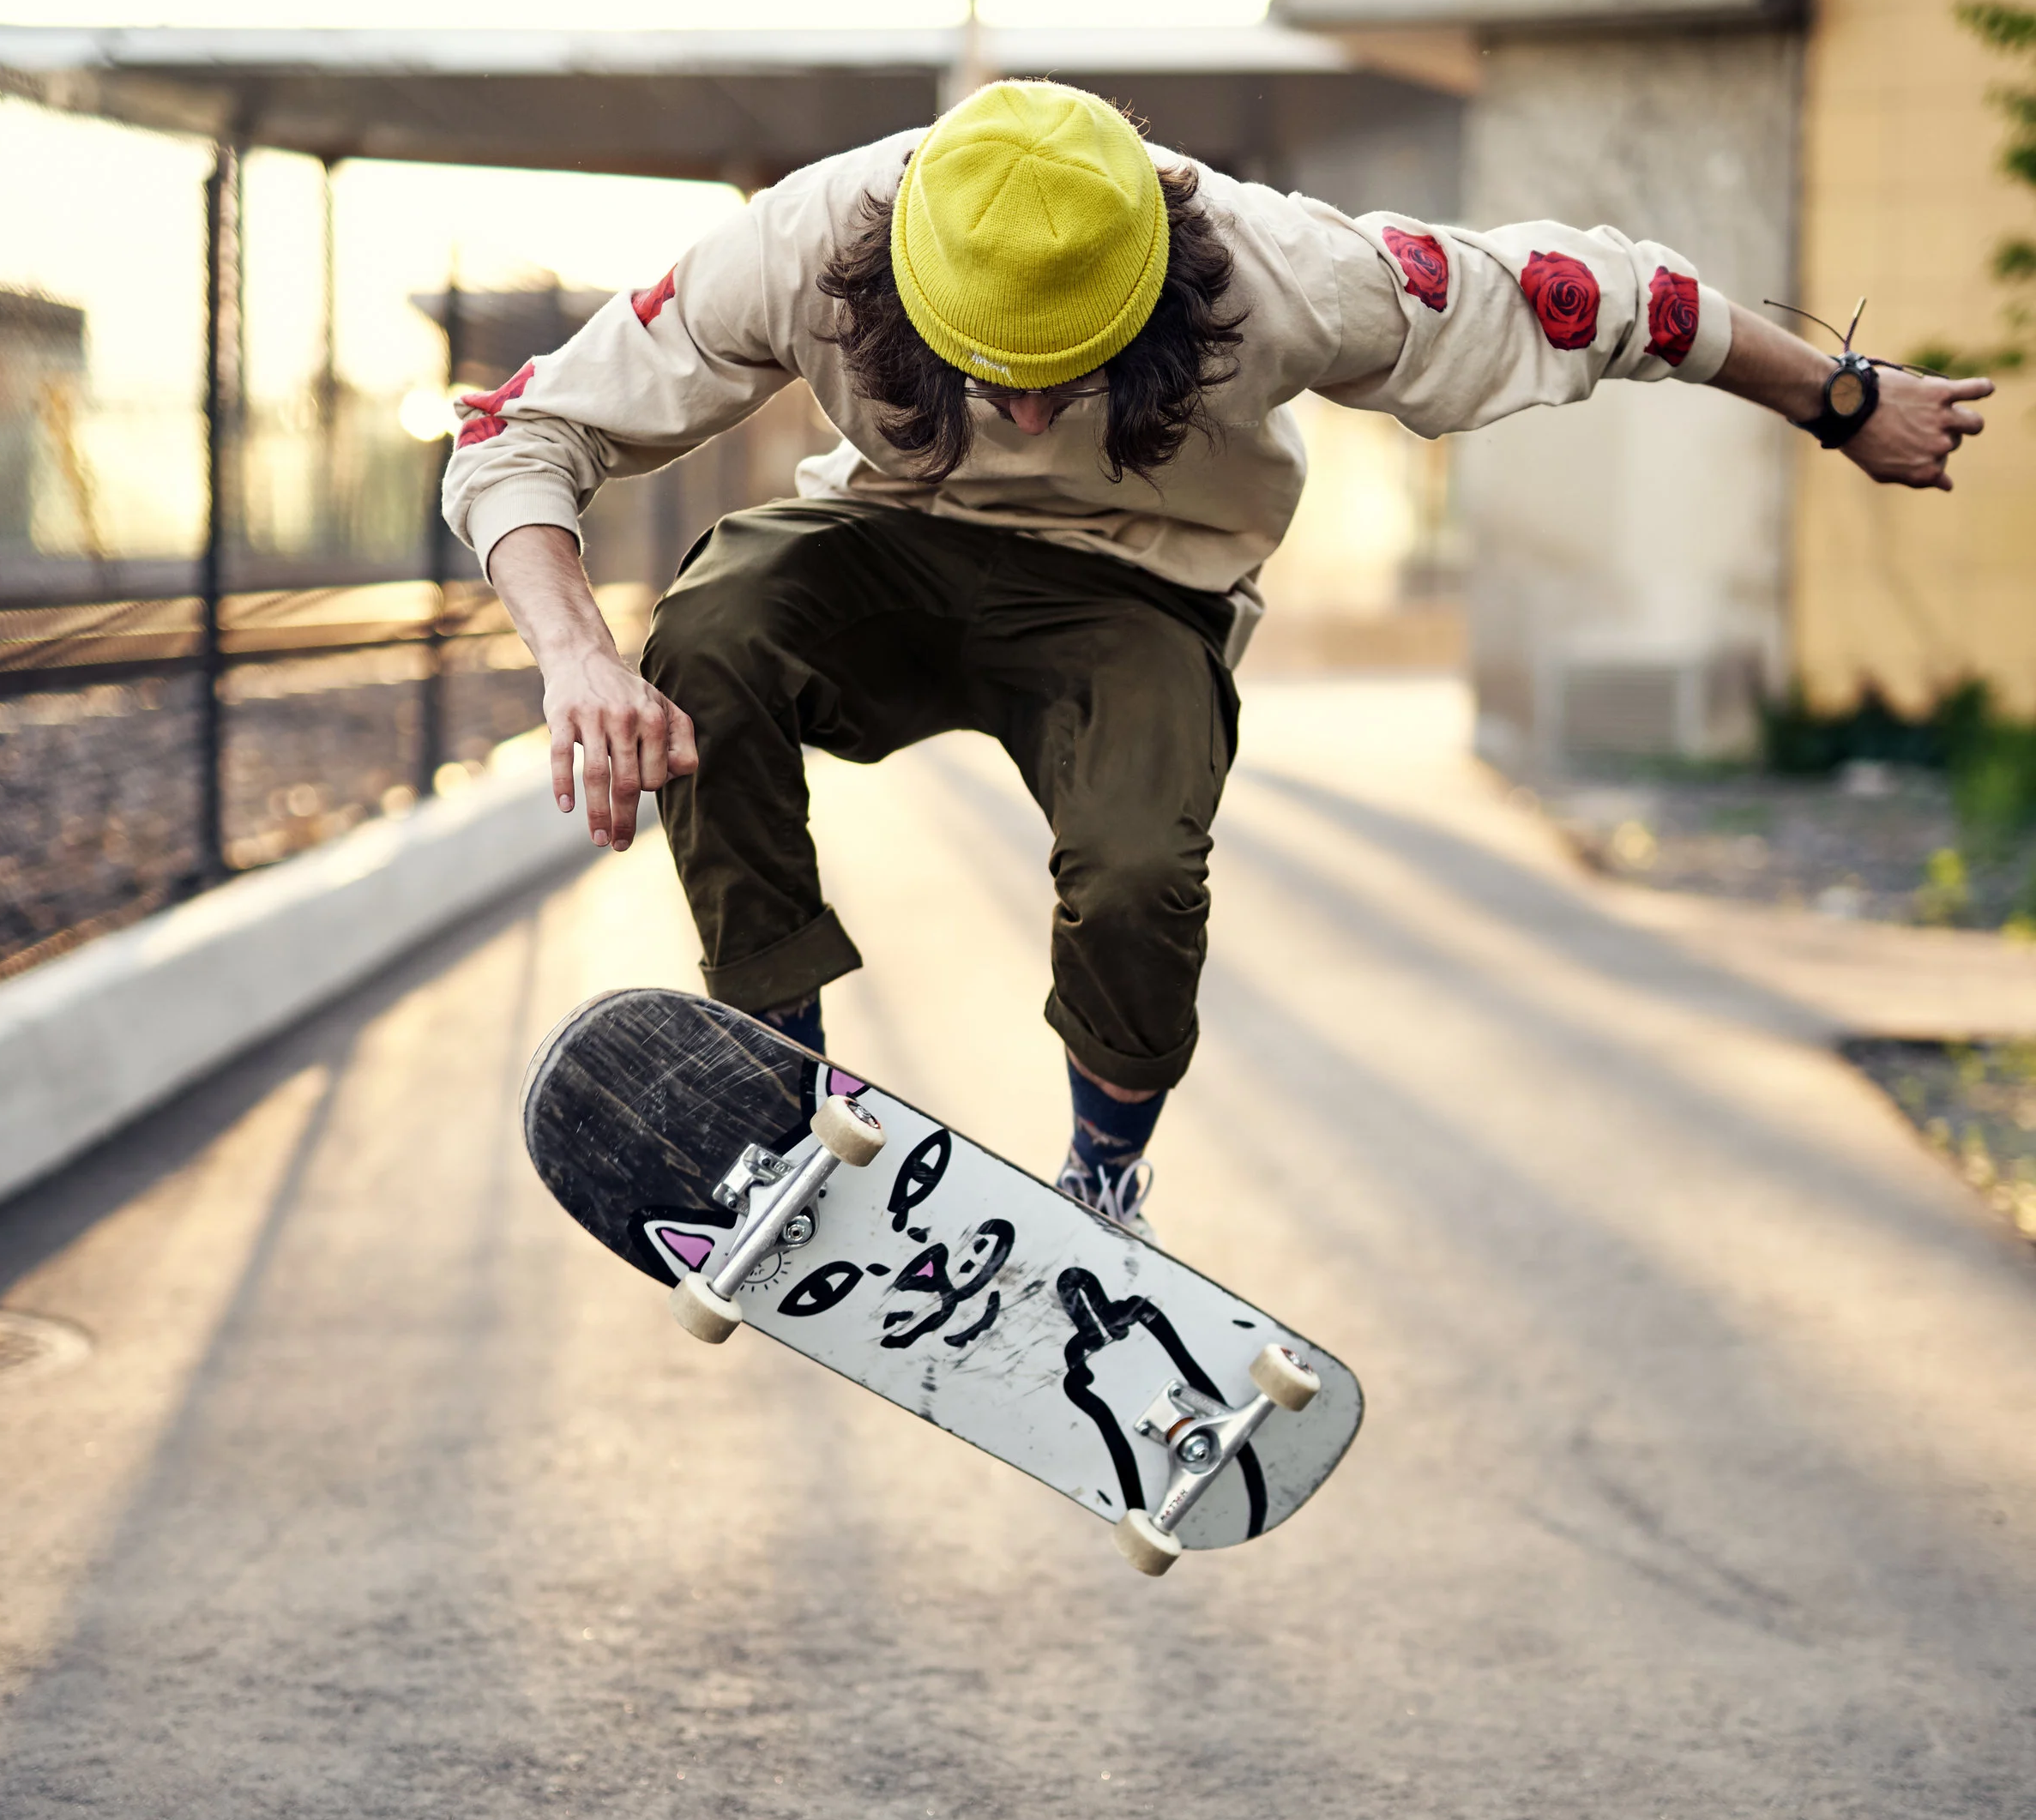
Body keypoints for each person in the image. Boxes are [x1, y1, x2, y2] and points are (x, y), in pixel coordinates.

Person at [444, 81, 1989, 1231]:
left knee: (1132, 867)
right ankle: (769, 1084)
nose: (1032, 419)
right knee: (704, 634)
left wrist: (1839, 401)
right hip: (891, 558)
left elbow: (1603, 297)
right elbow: (527, 426)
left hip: (1144, 599)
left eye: (1073, 378)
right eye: (996, 380)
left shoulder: (1282, 266)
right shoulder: (811, 238)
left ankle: (1103, 1179)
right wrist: (574, 650)